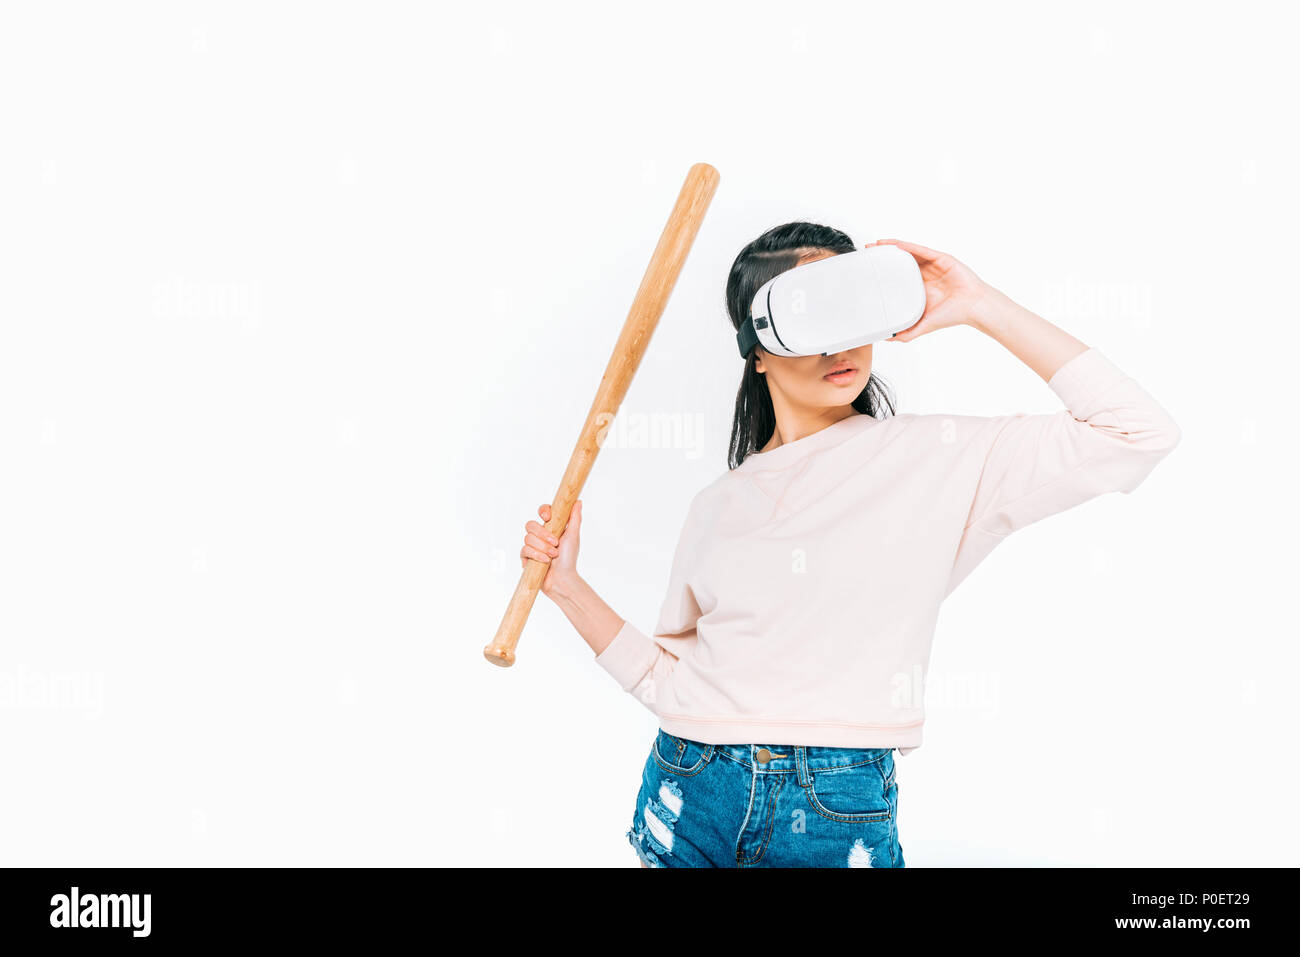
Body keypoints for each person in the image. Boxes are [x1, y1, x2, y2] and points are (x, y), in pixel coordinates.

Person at [518, 222, 1182, 867]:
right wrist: (567, 588)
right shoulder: (716, 506)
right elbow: (670, 681)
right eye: (812, 313)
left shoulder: (939, 458)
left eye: (851, 307)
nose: (841, 343)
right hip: (689, 783)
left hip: (837, 800)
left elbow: (1137, 432)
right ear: (758, 348)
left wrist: (980, 304)